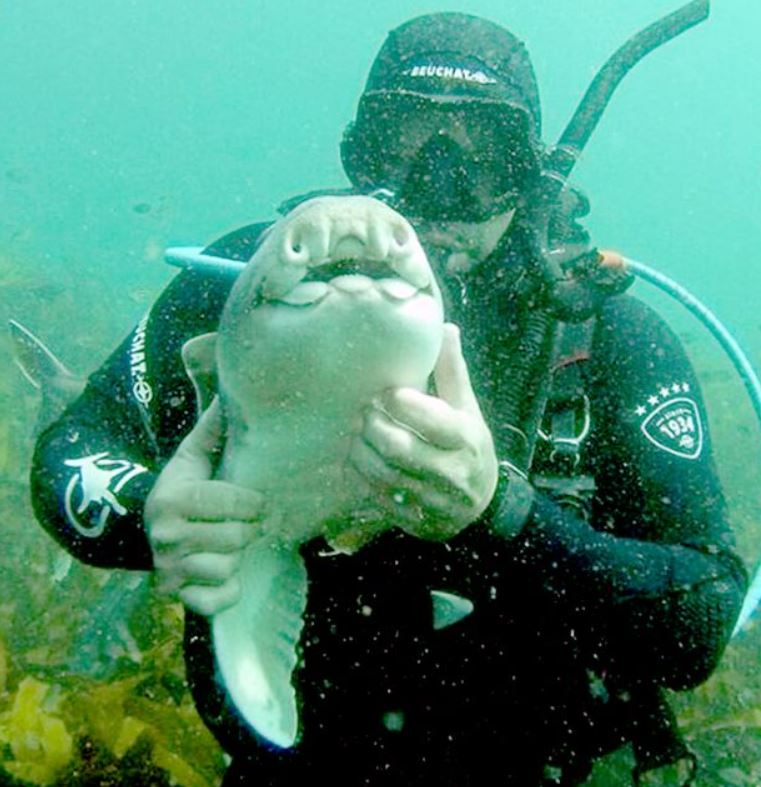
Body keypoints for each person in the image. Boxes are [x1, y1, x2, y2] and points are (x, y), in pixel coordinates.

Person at [30, 12, 746, 787]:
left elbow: (699, 623)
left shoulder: (607, 339)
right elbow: (70, 453)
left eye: (485, 155)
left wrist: (504, 512)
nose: (439, 188)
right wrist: (155, 514)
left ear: (531, 171)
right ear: (355, 153)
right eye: (402, 143)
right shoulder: (244, 283)